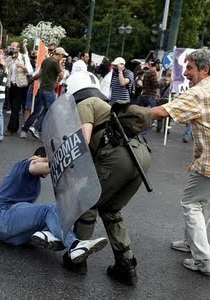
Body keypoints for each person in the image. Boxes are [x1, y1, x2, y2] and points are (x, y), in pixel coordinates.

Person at [150, 48, 210, 273]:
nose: (185, 73)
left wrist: (129, 113)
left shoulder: (200, 92)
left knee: (191, 204)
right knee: (207, 203)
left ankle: (204, 260)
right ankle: (192, 243)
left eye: (190, 68)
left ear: (205, 70)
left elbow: (163, 112)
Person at [65, 71, 152, 285]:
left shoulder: (86, 104)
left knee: (87, 201)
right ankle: (126, 265)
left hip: (118, 157)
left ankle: (78, 258)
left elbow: (83, 141)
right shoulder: (104, 105)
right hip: (141, 156)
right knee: (111, 209)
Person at [0, 146, 108, 263]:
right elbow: (36, 166)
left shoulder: (35, 181)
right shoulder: (25, 165)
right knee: (50, 209)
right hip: (1, 217)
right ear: (39, 157)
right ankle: (74, 244)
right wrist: (62, 159)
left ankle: (49, 234)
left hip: (12, 236)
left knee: (51, 217)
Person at [19, 47, 67, 139]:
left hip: (41, 89)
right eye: (62, 55)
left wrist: (32, 79)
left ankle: (24, 130)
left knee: (37, 111)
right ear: (59, 55)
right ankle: (36, 126)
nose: (63, 57)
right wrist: (58, 81)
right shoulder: (55, 63)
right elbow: (62, 75)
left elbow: (40, 73)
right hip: (49, 90)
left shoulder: (46, 61)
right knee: (49, 111)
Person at [4, 41, 33, 136]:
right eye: (11, 47)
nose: (12, 49)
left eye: (13, 47)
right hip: (11, 85)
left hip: (20, 85)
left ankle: (11, 128)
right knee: (13, 107)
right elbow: (6, 71)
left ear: (18, 49)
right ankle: (14, 127)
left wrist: (23, 66)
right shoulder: (9, 58)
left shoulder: (24, 57)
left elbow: (30, 71)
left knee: (16, 106)